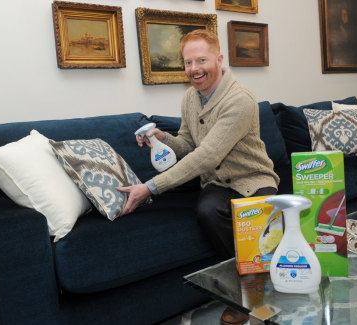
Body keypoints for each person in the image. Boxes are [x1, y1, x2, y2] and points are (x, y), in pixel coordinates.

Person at [117, 29, 279, 325]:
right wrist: (161, 137)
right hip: (217, 184)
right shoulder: (190, 98)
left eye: (201, 60)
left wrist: (150, 188)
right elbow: (189, 146)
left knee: (254, 220)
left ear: (218, 59)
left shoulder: (240, 99)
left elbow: (207, 155)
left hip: (253, 180)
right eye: (188, 63)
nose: (194, 69)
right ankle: (249, 291)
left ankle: (257, 288)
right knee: (207, 210)